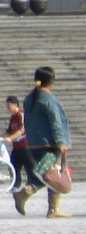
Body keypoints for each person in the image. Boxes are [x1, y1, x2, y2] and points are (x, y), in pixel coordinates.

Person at [14, 67, 72, 218]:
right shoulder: (49, 99)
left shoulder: (29, 98)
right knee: (52, 174)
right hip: (49, 143)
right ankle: (49, 206)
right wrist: (61, 141)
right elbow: (55, 123)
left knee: (47, 174)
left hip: (34, 143)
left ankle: (48, 206)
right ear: (51, 81)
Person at [4, 95, 28, 191]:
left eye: (9, 105)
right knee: (13, 164)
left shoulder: (21, 115)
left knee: (29, 166)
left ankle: (33, 183)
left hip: (25, 145)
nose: (7, 107)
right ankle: (16, 184)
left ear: (15, 105)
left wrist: (10, 138)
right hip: (17, 146)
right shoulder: (13, 117)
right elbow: (9, 131)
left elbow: (22, 130)